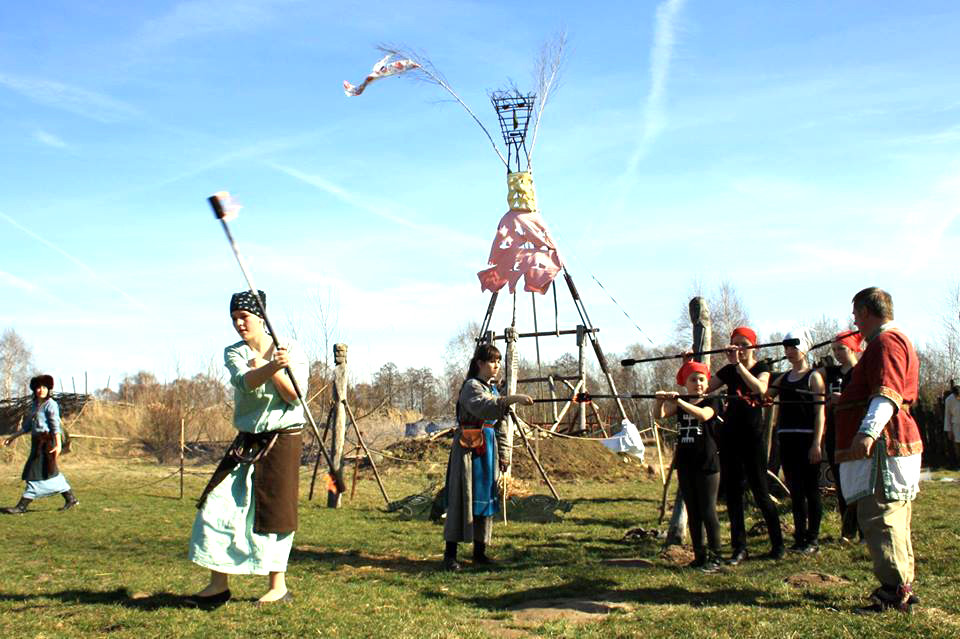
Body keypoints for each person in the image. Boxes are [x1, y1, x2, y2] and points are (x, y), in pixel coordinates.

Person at [187, 290, 306, 606]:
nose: (239, 323)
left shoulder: (290, 348)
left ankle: (277, 587)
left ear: (262, 318)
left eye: (244, 317)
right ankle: (218, 585)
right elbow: (244, 381)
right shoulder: (233, 352)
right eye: (234, 318)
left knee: (275, 513)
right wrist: (267, 366)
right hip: (248, 439)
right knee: (216, 501)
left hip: (283, 437)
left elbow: (294, 396)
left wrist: (278, 366)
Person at [835, 287, 922, 614]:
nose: (854, 321)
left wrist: (867, 432)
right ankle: (901, 587)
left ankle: (893, 591)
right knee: (892, 517)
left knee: (882, 517)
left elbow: (886, 394)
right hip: (887, 442)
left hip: (883, 446)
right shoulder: (889, 342)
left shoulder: (886, 343)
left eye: (856, 314)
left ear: (866, 312)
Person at [442, 344, 533, 571]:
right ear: (479, 363)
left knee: (485, 499)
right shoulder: (471, 387)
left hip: (488, 450)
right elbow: (486, 408)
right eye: (492, 361)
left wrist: (503, 454)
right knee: (462, 498)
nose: (496, 366)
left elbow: (501, 425)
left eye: (499, 361)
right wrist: (513, 398)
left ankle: (479, 552)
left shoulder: (492, 389)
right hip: (468, 450)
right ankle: (450, 555)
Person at [703, 327, 784, 563]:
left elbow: (760, 389)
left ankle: (777, 544)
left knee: (760, 492)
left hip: (753, 438)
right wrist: (692, 366)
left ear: (753, 347)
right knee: (734, 494)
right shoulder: (728, 370)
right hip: (730, 436)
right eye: (735, 344)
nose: (739, 348)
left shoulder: (762, 368)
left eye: (744, 344)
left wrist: (738, 365)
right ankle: (740, 548)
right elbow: (705, 388)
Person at [655, 361, 724, 572]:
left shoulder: (714, 401)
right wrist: (659, 401)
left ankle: (716, 556)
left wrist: (680, 402)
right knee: (693, 512)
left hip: (707, 463)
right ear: (685, 382)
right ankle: (699, 555)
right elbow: (660, 415)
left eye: (702, 379)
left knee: (707, 510)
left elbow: (703, 416)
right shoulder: (682, 401)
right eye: (693, 379)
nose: (698, 383)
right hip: (685, 464)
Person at [767, 329, 826, 553]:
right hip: (787, 439)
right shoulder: (783, 378)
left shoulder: (813, 377)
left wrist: (816, 443)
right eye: (787, 347)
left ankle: (813, 539)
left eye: (793, 347)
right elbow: (765, 395)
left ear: (803, 348)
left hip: (806, 439)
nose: (789, 351)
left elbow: (820, 413)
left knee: (811, 490)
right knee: (796, 491)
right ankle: (799, 537)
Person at [2, 374, 79, 514]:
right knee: (49, 472)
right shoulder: (35, 405)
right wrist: (12, 437)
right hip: (36, 444)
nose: (41, 390)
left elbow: (55, 426)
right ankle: (71, 498)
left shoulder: (51, 404)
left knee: (34, 473)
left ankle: (21, 507)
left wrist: (58, 445)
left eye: (44, 387)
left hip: (47, 443)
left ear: (48, 389)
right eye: (38, 387)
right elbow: (27, 426)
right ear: (34, 389)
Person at [820, 331, 862, 541]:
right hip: (835, 431)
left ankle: (864, 530)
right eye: (834, 349)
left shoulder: (861, 371)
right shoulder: (831, 372)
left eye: (842, 349)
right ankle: (847, 530)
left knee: (860, 481)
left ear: (853, 348)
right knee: (841, 480)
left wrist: (843, 399)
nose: (837, 353)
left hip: (855, 431)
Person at [944, 382, 960, 466]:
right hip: (956, 424)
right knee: (957, 444)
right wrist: (949, 430)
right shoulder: (949, 400)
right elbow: (947, 415)